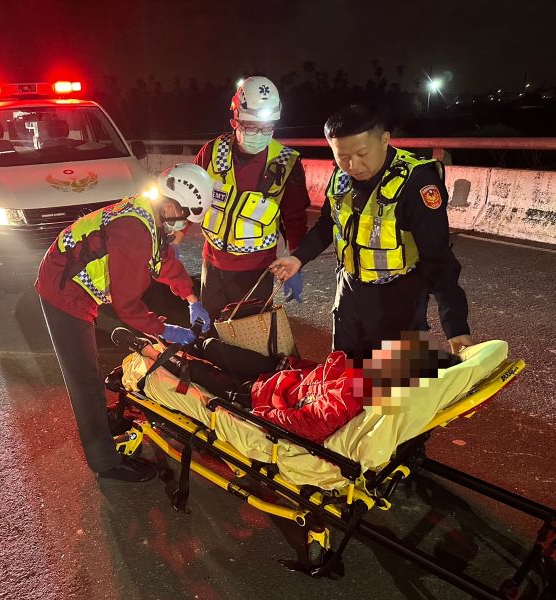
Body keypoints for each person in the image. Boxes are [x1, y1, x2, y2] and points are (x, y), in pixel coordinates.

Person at [36, 163, 214, 482]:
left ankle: (100, 420)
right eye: (186, 219)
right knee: (85, 380)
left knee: (88, 373)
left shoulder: (151, 212)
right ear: (172, 205)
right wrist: (166, 330)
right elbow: (128, 307)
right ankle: (105, 462)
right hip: (63, 290)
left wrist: (191, 299)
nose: (185, 228)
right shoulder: (134, 232)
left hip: (69, 277)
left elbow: (163, 261)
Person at [270, 104, 475, 358]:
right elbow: (327, 224)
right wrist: (298, 258)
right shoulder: (341, 177)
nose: (353, 165)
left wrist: (456, 327)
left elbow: (438, 258)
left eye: (362, 153)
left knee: (395, 376)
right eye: (342, 156)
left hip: (399, 300)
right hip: (349, 295)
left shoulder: (416, 182)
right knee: (346, 371)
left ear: (384, 140)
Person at [112, 328, 460, 444]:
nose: (388, 351)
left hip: (260, 395)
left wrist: (262, 413)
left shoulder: (356, 392)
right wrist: (289, 366)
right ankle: (179, 343)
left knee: (200, 374)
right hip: (283, 376)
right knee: (214, 349)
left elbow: (308, 423)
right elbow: (321, 374)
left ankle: (149, 350)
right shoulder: (364, 377)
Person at [193, 76, 311, 322]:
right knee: (210, 329)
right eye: (250, 126)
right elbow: (190, 196)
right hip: (212, 264)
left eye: (267, 127)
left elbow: (295, 219)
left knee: (248, 335)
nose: (259, 134)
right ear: (234, 121)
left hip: (255, 271)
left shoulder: (286, 163)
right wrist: (174, 237)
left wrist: (297, 261)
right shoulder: (212, 152)